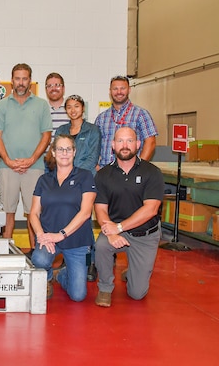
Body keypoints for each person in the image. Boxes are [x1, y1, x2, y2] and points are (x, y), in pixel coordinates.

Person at [93, 127, 165, 308]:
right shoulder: (103, 175)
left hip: (145, 235)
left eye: (130, 141)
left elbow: (151, 209)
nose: (125, 146)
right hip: (116, 231)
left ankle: (133, 273)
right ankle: (105, 288)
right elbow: (100, 208)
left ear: (138, 144)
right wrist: (111, 232)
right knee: (101, 245)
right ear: (112, 145)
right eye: (120, 141)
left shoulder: (152, 172)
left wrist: (119, 228)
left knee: (137, 294)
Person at [30, 134, 96, 301]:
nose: (64, 153)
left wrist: (61, 235)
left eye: (68, 149)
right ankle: (47, 277)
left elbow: (86, 212)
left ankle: (61, 275)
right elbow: (34, 213)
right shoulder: (44, 180)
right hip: (49, 239)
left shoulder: (85, 176)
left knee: (78, 295)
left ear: (74, 152)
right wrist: (41, 236)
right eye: (60, 149)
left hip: (77, 241)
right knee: (39, 258)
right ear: (53, 151)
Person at [0, 63, 52, 248]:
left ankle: (36, 252)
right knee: (7, 211)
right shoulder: (1, 105)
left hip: (34, 168)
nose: (20, 82)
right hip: (7, 167)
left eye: (24, 78)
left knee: (33, 212)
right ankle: (4, 250)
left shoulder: (41, 105)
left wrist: (32, 159)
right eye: (17, 78)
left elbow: (46, 135)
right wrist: (9, 162)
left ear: (30, 81)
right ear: (11, 81)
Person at [56, 94, 102, 281]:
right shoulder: (61, 130)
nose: (73, 110)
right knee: (66, 219)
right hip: (63, 181)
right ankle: (68, 258)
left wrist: (73, 175)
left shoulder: (93, 130)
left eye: (76, 106)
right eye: (69, 107)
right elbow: (58, 154)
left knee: (84, 222)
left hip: (84, 181)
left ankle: (89, 262)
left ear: (83, 109)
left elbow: (91, 158)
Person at [95, 75, 158, 169]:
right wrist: (97, 168)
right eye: (115, 89)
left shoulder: (141, 114)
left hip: (130, 172)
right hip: (105, 172)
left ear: (129, 90)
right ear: (110, 91)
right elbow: (94, 146)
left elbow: (151, 142)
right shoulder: (101, 118)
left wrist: (138, 168)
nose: (119, 92)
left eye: (122, 88)